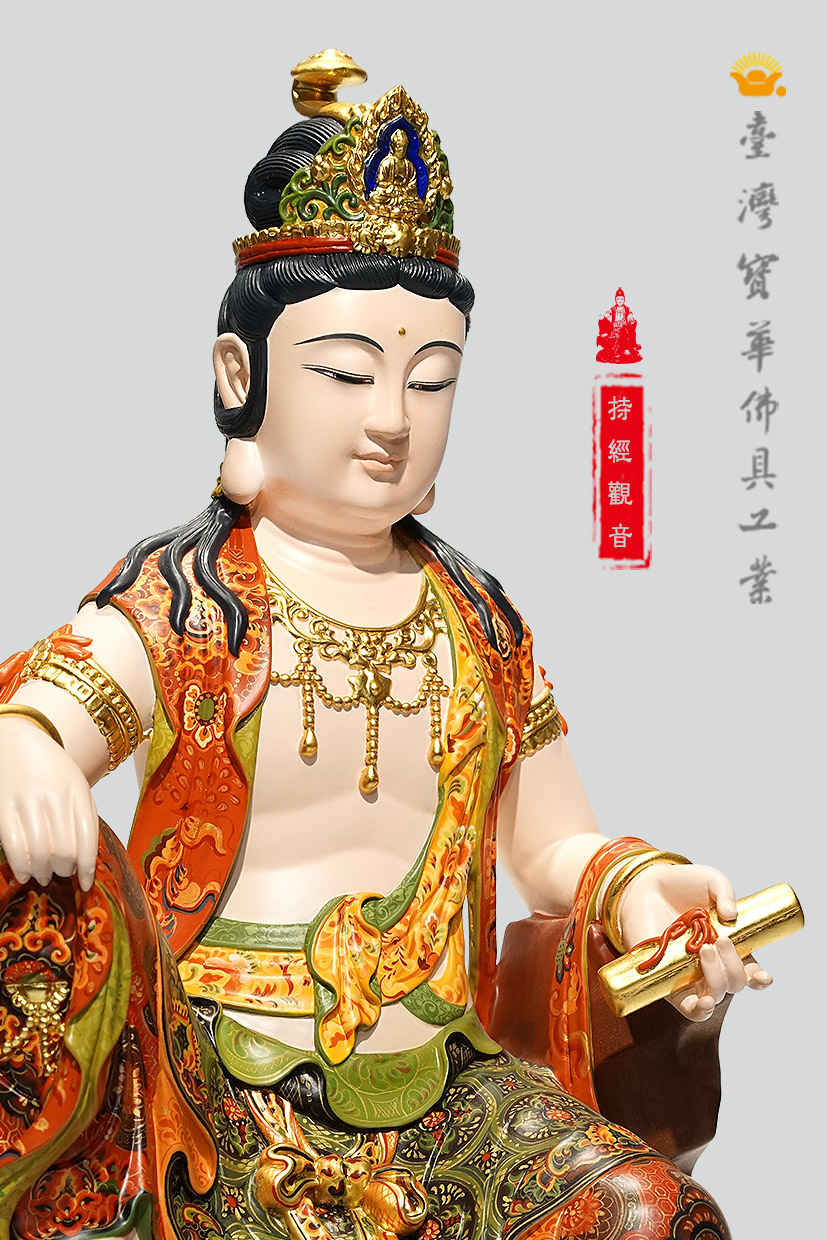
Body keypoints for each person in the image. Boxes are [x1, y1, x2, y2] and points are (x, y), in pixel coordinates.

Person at [0, 50, 771, 1240]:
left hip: (448, 1088)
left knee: (645, 1212)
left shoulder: (479, 619)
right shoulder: (189, 599)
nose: (389, 420)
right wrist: (31, 753)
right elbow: (49, 705)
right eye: (346, 372)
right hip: (214, 1085)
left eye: (431, 379)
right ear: (239, 374)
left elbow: (547, 844)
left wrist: (638, 890)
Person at [596, 289, 642, 363]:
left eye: (621, 299)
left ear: (624, 300)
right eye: (618, 299)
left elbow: (630, 316)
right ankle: (606, 336)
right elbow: (607, 314)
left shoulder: (627, 309)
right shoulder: (613, 309)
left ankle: (626, 349)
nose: (620, 301)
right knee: (602, 320)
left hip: (624, 329)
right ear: (615, 300)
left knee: (631, 325)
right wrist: (603, 316)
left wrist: (631, 319)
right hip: (614, 329)